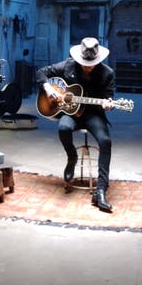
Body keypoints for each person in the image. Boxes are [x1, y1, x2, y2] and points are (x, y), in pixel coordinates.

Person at [36, 37, 115, 213]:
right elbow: (41, 72)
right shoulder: (68, 65)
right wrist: (49, 89)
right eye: (84, 63)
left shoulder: (107, 73)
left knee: (105, 141)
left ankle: (101, 189)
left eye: (91, 63)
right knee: (63, 128)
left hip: (93, 114)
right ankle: (72, 157)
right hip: (70, 112)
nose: (87, 66)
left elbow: (109, 96)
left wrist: (108, 104)